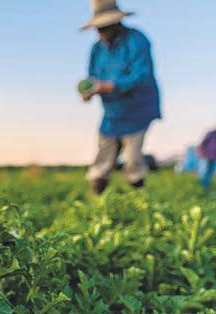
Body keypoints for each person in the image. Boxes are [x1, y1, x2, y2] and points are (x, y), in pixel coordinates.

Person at [79, 0, 161, 194]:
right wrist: (89, 91)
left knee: (132, 160)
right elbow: (93, 78)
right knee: (103, 158)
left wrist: (108, 86)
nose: (100, 32)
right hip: (112, 113)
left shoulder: (136, 40)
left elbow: (141, 76)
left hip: (137, 109)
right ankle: (97, 199)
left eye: (104, 27)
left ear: (116, 23)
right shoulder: (97, 49)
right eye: (98, 28)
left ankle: (140, 199)